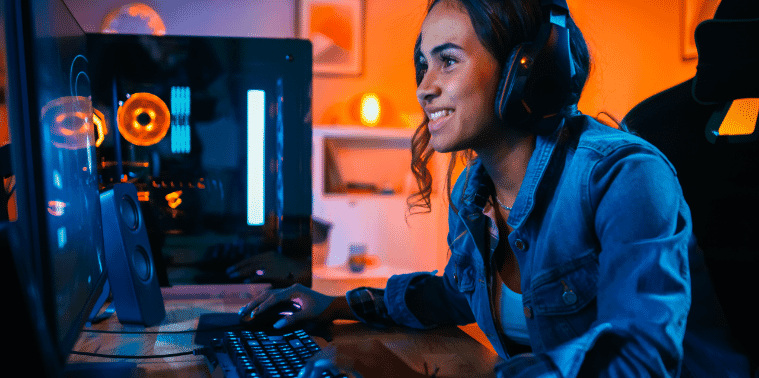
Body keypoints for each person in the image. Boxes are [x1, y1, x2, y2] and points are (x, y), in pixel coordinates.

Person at [241, 0, 753, 377]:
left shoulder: (623, 176)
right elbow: (455, 294)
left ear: (524, 73)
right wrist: (335, 306)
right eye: (423, 64)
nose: (423, 87)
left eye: (447, 60)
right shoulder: (473, 191)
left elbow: (639, 355)